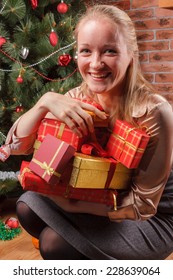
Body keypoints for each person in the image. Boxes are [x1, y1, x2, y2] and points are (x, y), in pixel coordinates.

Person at [3, 5, 173, 260]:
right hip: (98, 201)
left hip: (151, 217)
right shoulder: (78, 98)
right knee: (27, 205)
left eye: (110, 51)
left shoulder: (154, 111)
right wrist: (44, 102)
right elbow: (18, 147)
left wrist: (70, 203)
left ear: (130, 54)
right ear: (77, 55)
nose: (95, 63)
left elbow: (142, 205)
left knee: (52, 242)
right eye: (86, 51)